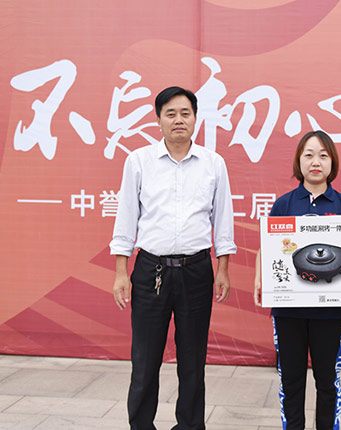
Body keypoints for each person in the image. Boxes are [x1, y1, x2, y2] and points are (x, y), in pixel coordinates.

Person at [110, 86, 236, 430]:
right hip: (150, 270)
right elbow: (126, 218)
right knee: (145, 359)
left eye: (185, 113)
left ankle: (190, 426)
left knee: (193, 360)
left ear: (195, 118)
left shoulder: (213, 164)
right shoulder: (139, 161)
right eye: (170, 113)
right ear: (158, 120)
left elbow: (223, 220)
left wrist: (223, 268)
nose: (178, 120)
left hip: (197, 270)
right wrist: (121, 271)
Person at [253, 130, 341, 430]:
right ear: (299, 161)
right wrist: (259, 278)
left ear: (332, 162)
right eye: (309, 155)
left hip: (330, 311)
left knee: (327, 381)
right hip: (287, 310)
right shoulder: (284, 204)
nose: (315, 162)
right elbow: (267, 247)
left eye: (323, 155)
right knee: (290, 380)